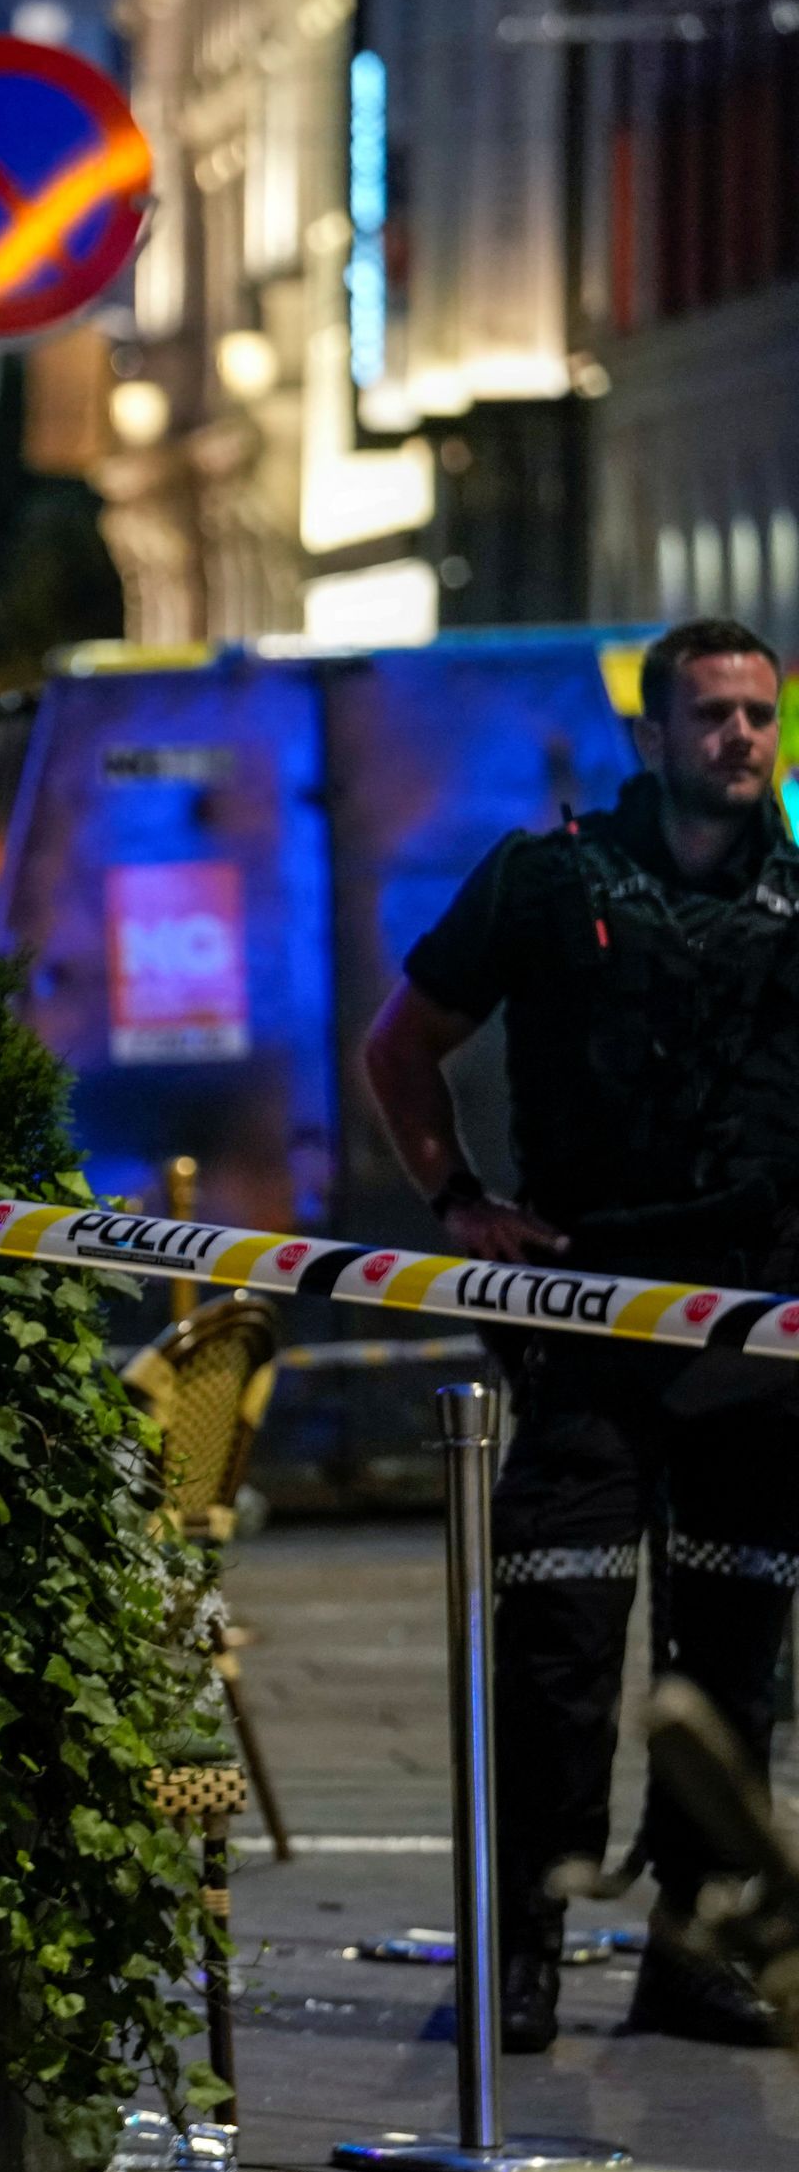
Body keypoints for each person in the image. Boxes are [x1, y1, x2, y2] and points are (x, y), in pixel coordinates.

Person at [358, 613, 799, 2052]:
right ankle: (523, 1951)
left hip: (754, 1338)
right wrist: (459, 1195)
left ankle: (697, 1954)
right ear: (652, 737)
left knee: (730, 1669)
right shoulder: (551, 878)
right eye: (713, 715)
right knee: (556, 1654)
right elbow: (401, 1042)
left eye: (759, 715)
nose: (740, 737)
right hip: (583, 1319)